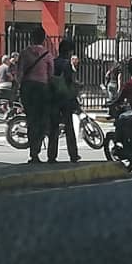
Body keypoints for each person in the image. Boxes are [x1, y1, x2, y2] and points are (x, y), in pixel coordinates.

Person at [16, 28, 53, 164]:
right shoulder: (47, 55)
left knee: (31, 120)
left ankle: (33, 153)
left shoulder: (25, 53)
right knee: (42, 121)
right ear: (43, 39)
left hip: (28, 89)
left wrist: (22, 87)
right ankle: (36, 149)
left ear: (31, 38)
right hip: (42, 89)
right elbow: (51, 75)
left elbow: (18, 74)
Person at [47, 38, 81, 164]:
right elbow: (69, 81)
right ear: (69, 51)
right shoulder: (66, 64)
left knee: (53, 127)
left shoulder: (53, 62)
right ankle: (73, 154)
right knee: (69, 127)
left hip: (53, 98)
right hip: (65, 99)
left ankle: (51, 155)